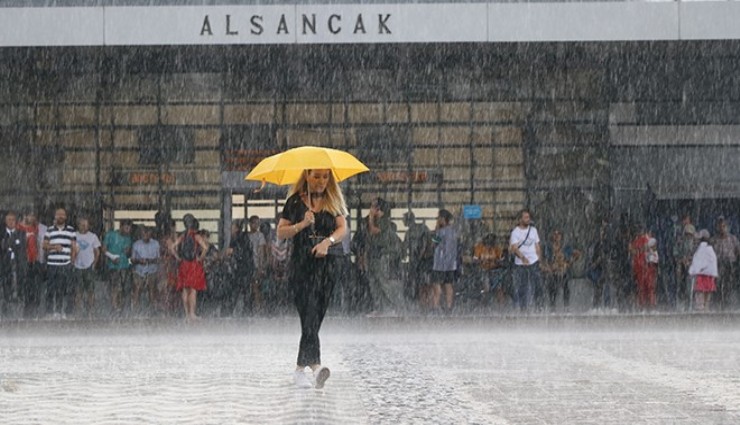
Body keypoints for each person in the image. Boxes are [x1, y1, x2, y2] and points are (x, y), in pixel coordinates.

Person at [277, 169, 347, 390]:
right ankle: (316, 367)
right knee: (308, 312)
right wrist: (302, 225)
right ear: (306, 176)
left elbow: (342, 228)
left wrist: (328, 241)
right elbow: (281, 232)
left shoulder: (332, 200)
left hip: (328, 267)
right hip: (302, 267)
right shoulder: (294, 202)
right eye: (316, 176)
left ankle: (300, 369)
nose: (321, 182)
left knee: (316, 317)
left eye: (325, 177)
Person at [365, 197, 400, 315]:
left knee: (383, 282)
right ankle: (379, 307)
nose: (371, 209)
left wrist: (370, 217)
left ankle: (392, 306)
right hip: (373, 254)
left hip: (382, 254)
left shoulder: (384, 220)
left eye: (373, 206)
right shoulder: (374, 220)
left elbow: (374, 231)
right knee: (373, 282)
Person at [171, 214, 208, 321]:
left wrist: (178, 257)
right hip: (193, 264)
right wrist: (200, 258)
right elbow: (205, 248)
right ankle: (192, 313)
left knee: (185, 289)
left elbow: (172, 247)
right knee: (193, 289)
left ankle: (186, 314)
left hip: (184, 264)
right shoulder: (196, 236)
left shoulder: (182, 235)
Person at [43, 207, 77, 319]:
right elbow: (44, 246)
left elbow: (73, 247)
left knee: (66, 289)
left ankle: (67, 313)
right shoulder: (49, 230)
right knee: (51, 289)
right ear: (55, 216)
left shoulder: (71, 230)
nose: (60, 216)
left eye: (62, 214)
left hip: (65, 264)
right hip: (52, 264)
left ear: (66, 217)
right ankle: (50, 313)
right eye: (58, 214)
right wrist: (54, 246)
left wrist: (72, 262)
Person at [509, 209, 541, 312]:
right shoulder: (515, 232)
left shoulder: (533, 230)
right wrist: (522, 257)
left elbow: (537, 245)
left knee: (537, 285)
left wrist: (539, 258)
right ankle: (523, 308)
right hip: (521, 263)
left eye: (528, 217)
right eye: (525, 217)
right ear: (520, 219)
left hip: (534, 262)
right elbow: (514, 248)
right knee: (522, 286)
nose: (528, 220)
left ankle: (538, 306)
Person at [541, 229, 580, 312]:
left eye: (558, 234)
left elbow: (577, 254)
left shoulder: (566, 247)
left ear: (561, 236)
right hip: (552, 271)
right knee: (551, 285)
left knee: (566, 285)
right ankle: (552, 306)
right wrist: (549, 267)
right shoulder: (548, 247)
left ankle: (566, 306)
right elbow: (543, 259)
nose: (556, 236)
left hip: (563, 271)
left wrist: (569, 263)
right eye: (555, 234)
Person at [403, 212, 434, 309]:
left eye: (403, 219)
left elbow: (405, 247)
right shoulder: (423, 228)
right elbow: (434, 240)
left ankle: (421, 301)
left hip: (417, 261)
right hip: (423, 260)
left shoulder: (409, 232)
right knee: (425, 282)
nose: (403, 222)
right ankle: (428, 302)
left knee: (418, 282)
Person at [103, 219, 133, 318]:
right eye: (126, 227)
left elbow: (128, 254)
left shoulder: (128, 238)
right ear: (121, 226)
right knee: (115, 288)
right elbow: (103, 249)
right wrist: (112, 257)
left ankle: (121, 309)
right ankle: (115, 308)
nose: (128, 230)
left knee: (124, 289)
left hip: (125, 266)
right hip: (113, 267)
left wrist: (128, 252)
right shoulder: (110, 235)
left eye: (129, 228)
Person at [224, 220, 254, 317]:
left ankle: (245, 311)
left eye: (232, 227)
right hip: (240, 268)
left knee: (242, 289)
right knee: (239, 290)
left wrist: (233, 251)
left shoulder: (242, 237)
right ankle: (241, 310)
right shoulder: (236, 237)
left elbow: (244, 252)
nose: (231, 229)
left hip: (244, 267)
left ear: (237, 228)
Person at [17, 212, 44, 318]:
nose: (32, 218)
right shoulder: (18, 228)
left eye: (34, 216)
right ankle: (25, 311)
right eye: (30, 215)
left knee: (34, 286)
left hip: (34, 261)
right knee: (25, 287)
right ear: (25, 216)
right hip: (24, 261)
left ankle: (34, 310)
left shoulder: (35, 228)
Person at [1, 212, 27, 319]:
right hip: (5, 265)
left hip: (18, 264)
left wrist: (10, 246)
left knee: (19, 288)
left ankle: (19, 315)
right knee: (6, 289)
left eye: (13, 219)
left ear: (16, 221)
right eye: (9, 220)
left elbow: (21, 248)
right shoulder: (2, 234)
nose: (11, 222)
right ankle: (6, 314)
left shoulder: (21, 233)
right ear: (5, 221)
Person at [74, 217, 101, 319]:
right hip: (77, 266)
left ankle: (91, 312)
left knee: (90, 291)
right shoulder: (74, 235)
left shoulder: (93, 236)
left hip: (89, 266)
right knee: (78, 291)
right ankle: (78, 313)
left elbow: (97, 252)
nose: (84, 227)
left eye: (86, 225)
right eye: (82, 224)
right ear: (78, 225)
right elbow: (71, 250)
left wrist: (94, 264)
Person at [710, 217, 740, 310]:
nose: (722, 228)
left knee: (729, 284)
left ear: (727, 227)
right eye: (720, 226)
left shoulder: (733, 238)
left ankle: (729, 303)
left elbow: (738, 250)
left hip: (730, 264)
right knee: (718, 284)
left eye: (724, 226)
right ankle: (719, 303)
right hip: (718, 264)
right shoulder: (714, 239)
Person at [432, 209, 458, 312]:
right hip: (451, 264)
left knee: (436, 285)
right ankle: (449, 307)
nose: (437, 220)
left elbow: (433, 243)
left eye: (438, 218)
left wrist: (437, 228)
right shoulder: (454, 232)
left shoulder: (440, 232)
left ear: (443, 219)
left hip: (439, 263)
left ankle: (436, 306)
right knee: (448, 285)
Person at [131, 226, 160, 316]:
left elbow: (159, 259)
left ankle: (153, 312)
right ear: (141, 234)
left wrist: (149, 261)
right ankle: (135, 311)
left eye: (147, 234)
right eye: (143, 234)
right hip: (139, 271)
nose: (145, 235)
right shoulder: (136, 244)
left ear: (150, 234)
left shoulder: (155, 244)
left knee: (152, 291)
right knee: (137, 291)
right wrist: (139, 261)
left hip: (152, 271)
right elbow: (131, 260)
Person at [472, 233, 506, 308]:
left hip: (495, 269)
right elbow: (474, 260)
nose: (489, 245)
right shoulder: (479, 247)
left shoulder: (497, 248)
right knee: (485, 288)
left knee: (499, 288)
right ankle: (483, 305)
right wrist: (481, 261)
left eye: (491, 242)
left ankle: (502, 306)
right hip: (483, 270)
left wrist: (496, 261)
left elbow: (502, 261)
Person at [689, 229, 718, 312]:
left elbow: (697, 261)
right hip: (709, 275)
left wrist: (692, 270)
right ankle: (706, 307)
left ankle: (701, 307)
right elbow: (712, 262)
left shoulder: (701, 249)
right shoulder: (710, 249)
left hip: (701, 275)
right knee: (708, 291)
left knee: (700, 290)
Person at [629, 226, 656, 311]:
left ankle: (643, 306)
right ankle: (650, 306)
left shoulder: (636, 241)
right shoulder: (648, 240)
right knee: (649, 287)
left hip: (641, 267)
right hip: (647, 267)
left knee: (642, 288)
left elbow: (632, 251)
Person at [672, 218, 696, 311]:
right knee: (680, 286)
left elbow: (697, 253)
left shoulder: (695, 243)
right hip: (680, 266)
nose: (688, 235)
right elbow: (675, 252)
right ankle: (679, 305)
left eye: (690, 233)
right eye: (686, 233)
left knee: (689, 287)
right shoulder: (679, 241)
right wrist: (681, 259)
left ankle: (689, 306)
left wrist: (690, 259)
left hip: (691, 266)